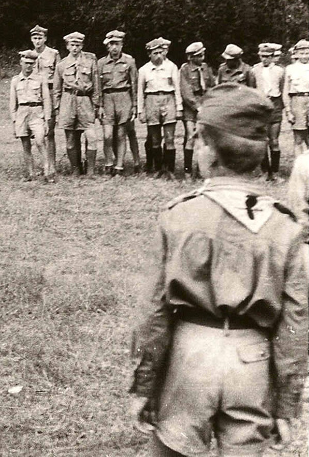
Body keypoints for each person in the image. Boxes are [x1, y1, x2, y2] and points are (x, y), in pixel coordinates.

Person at [130, 83, 308, 457]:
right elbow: (295, 324)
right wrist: (288, 404)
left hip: (190, 355)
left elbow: (154, 311)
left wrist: (144, 385)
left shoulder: (179, 214)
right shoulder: (285, 226)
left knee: (172, 449)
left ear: (206, 148)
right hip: (253, 362)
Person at [55, 32, 100, 176]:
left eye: (78, 45)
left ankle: (90, 170)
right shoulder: (61, 65)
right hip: (68, 102)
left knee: (91, 137)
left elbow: (96, 86)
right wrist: (57, 110)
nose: (75, 48)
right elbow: (57, 90)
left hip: (85, 101)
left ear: (82, 46)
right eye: (72, 45)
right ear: (67, 46)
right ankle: (75, 168)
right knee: (70, 140)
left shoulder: (91, 61)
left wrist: (97, 105)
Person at [137, 38, 182, 179]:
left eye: (161, 52)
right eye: (155, 53)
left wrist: (179, 107)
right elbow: (140, 92)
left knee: (169, 138)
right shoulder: (143, 70)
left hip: (168, 99)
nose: (158, 56)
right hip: (151, 101)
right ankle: (158, 169)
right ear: (149, 54)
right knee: (155, 139)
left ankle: (170, 170)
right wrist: (140, 110)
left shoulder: (172, 67)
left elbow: (177, 89)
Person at [98, 30, 137, 176]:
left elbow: (134, 84)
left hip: (124, 98)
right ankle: (109, 162)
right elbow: (98, 86)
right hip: (107, 99)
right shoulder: (101, 63)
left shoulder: (129, 61)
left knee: (121, 134)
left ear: (122, 45)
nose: (114, 47)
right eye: (111, 44)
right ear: (107, 46)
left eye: (117, 44)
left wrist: (134, 105)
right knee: (107, 135)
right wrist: (100, 105)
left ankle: (119, 166)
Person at [10, 50, 52, 181]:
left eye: (31, 64)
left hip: (36, 112)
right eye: (26, 63)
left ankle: (48, 172)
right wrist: (14, 121)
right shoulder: (15, 80)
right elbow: (13, 103)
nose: (29, 66)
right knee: (26, 145)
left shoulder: (40, 79)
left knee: (40, 141)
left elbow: (46, 99)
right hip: (22, 113)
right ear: (21, 62)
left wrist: (47, 119)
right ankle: (30, 173)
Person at [177, 42, 215, 177]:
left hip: (205, 104)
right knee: (191, 137)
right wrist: (197, 107)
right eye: (199, 55)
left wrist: (208, 103)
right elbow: (186, 91)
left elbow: (211, 86)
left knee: (203, 139)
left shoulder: (206, 68)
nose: (202, 58)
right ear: (191, 57)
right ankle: (187, 171)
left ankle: (200, 169)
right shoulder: (185, 70)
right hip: (191, 108)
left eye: (203, 54)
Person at [251, 43, 285, 181]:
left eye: (268, 57)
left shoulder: (279, 71)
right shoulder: (254, 70)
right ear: (259, 56)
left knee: (274, 140)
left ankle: (275, 172)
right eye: (262, 56)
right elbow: (252, 87)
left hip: (275, 104)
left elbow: (283, 88)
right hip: (261, 104)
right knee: (262, 140)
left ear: (272, 57)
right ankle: (265, 171)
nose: (265, 59)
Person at [30, 25, 60, 181]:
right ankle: (43, 165)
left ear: (45, 39)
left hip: (50, 92)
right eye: (35, 38)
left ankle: (52, 165)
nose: (37, 41)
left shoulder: (53, 54)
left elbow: (58, 77)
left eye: (40, 38)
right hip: (35, 96)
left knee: (50, 131)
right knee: (37, 131)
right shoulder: (29, 55)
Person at [284, 39, 309, 155]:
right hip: (297, 102)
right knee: (298, 138)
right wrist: (289, 111)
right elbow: (285, 92)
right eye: (302, 53)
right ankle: (298, 169)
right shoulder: (290, 69)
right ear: (296, 54)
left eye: (307, 53)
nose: (304, 56)